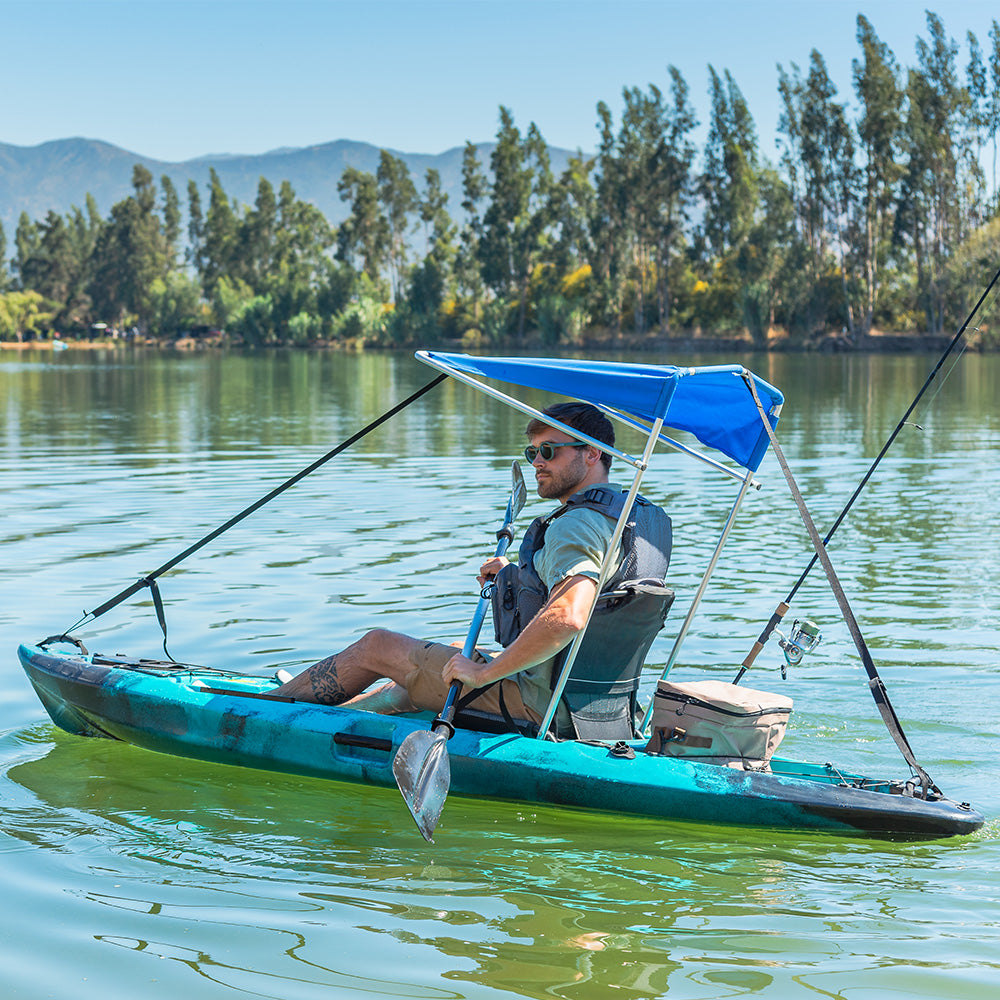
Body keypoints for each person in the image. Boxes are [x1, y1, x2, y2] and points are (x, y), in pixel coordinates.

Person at [274, 402, 672, 739]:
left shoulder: (575, 523)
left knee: (377, 645)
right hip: (603, 711)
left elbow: (569, 615)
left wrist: (487, 675)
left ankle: (261, 710)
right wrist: (515, 576)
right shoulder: (641, 521)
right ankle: (342, 715)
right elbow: (604, 592)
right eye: (532, 452)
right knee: (449, 655)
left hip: (542, 708)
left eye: (549, 451)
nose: (536, 463)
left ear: (592, 453)